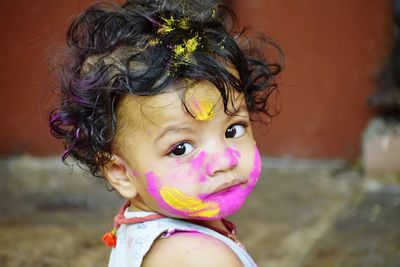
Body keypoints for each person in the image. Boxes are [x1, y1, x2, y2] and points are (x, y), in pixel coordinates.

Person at [49, 0, 282, 266]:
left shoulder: (149, 230)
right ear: (120, 173)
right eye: (181, 148)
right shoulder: (200, 257)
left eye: (233, 129)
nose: (224, 161)